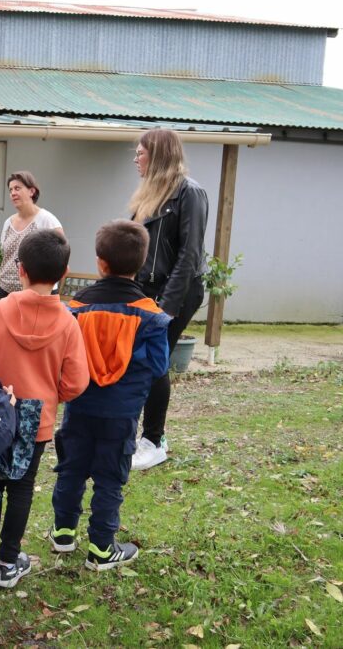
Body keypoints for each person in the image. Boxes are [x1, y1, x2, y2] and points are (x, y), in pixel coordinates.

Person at [0, 229, 89, 588]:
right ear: (63, 273)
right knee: (21, 487)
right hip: (38, 420)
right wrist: (51, 396)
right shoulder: (67, 322)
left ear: (21, 270)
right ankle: (8, 560)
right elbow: (77, 382)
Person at [51, 220, 171, 570]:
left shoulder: (74, 308)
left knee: (71, 469)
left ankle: (62, 533)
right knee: (109, 478)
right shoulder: (152, 316)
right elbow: (158, 366)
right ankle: (102, 548)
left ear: (100, 262)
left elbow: (62, 357)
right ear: (141, 264)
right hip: (121, 414)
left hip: (80, 406)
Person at [129, 129, 209, 471]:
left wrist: (166, 306)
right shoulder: (149, 194)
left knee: (154, 361)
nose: (135, 159)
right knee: (142, 361)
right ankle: (143, 436)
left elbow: (189, 255)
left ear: (158, 154)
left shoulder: (190, 193)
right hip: (146, 290)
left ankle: (154, 440)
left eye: (141, 153)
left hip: (176, 291)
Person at [0, 171, 64, 299]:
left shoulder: (47, 220)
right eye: (10, 190)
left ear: (31, 191)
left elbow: (61, 255)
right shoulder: (8, 223)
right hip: (6, 292)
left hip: (37, 295)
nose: (13, 193)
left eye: (17, 188)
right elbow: (5, 257)